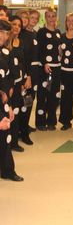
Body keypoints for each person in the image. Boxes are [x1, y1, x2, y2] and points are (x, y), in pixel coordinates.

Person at [0, 19, 23, 181]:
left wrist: (7, 106)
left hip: (2, 102)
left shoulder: (4, 52)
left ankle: (7, 170)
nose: (4, 36)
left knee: (5, 137)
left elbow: (7, 79)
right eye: (1, 32)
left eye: (7, 33)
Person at [35, 8, 61, 131]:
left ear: (56, 18)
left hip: (57, 69)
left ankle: (51, 121)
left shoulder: (58, 32)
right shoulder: (41, 32)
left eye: (53, 16)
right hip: (45, 68)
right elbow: (39, 50)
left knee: (53, 96)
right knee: (42, 95)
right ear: (45, 18)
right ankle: (40, 122)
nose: (51, 18)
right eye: (49, 16)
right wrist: (45, 63)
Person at [18, 8, 40, 144]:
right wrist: (28, 76)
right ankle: (23, 132)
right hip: (26, 75)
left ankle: (24, 126)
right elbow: (24, 59)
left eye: (28, 17)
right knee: (23, 103)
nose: (26, 20)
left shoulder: (33, 34)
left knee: (29, 102)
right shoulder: (21, 35)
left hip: (34, 73)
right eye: (23, 17)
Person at [8, 15, 27, 152]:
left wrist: (24, 80)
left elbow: (23, 63)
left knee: (17, 110)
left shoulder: (20, 42)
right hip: (7, 83)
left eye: (19, 25)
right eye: (14, 24)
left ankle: (14, 141)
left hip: (18, 82)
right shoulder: (5, 43)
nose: (16, 27)